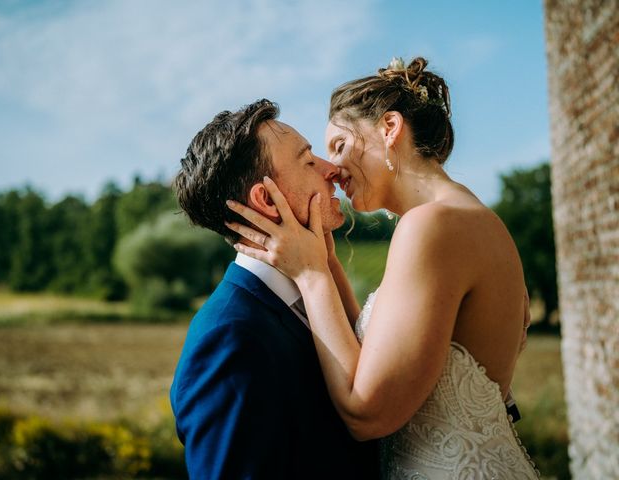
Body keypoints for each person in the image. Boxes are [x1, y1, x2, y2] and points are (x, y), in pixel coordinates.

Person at [225, 57, 540, 478]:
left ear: (390, 128)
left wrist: (310, 275)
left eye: (339, 145)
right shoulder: (470, 217)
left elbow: (366, 413)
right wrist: (328, 263)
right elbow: (381, 359)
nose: (332, 170)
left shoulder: (431, 226)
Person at [169, 99, 379, 479]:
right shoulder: (229, 338)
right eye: (308, 161)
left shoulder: (312, 292)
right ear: (266, 200)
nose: (332, 170)